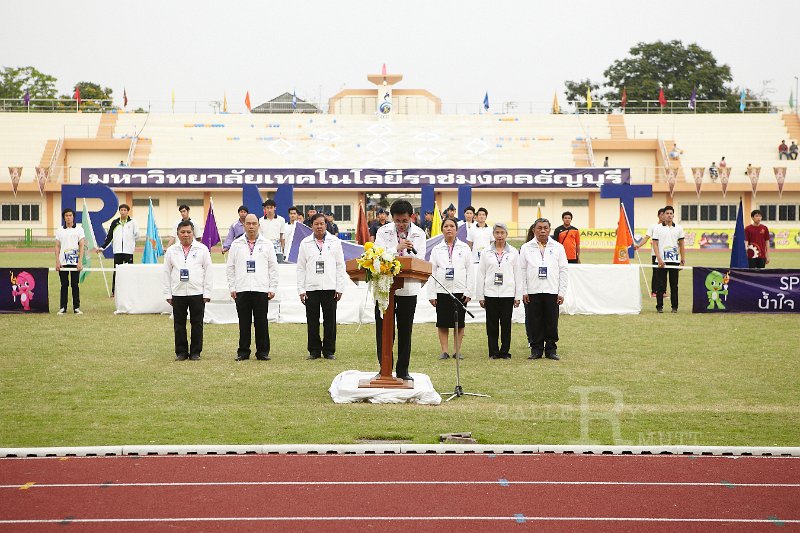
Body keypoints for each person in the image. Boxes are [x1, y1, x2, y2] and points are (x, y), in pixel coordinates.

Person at [373, 199, 426, 380]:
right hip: (385, 288)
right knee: (384, 330)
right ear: (392, 218)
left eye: (404, 221)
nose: (401, 225)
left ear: (411, 217)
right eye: (397, 221)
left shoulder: (419, 234)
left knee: (405, 330)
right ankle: (384, 367)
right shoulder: (382, 231)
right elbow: (378, 258)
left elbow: (421, 260)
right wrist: (397, 248)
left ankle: (403, 370)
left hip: (408, 289)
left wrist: (409, 251)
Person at [226, 214, 279, 361]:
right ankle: (243, 352)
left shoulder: (267, 244)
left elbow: (273, 267)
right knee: (244, 322)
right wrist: (232, 287)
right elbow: (230, 268)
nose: (251, 226)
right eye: (248, 223)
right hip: (242, 289)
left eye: (254, 223)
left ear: (258, 225)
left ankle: (262, 352)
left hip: (261, 289)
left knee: (261, 322)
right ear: (244, 225)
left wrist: (272, 287)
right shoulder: (236, 244)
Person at [296, 213, 347, 360]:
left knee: (330, 321)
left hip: (330, 287)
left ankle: (329, 350)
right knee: (312, 320)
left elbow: (340, 266)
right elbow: (301, 268)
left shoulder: (335, 241)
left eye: (322, 224)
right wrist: (301, 289)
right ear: (311, 226)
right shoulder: (305, 243)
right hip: (311, 288)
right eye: (316, 224)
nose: (319, 226)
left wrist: (340, 288)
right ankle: (314, 351)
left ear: (326, 225)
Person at [162, 221, 212, 361]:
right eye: (182, 232)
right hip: (178, 293)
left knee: (197, 323)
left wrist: (207, 293)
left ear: (193, 233)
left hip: (197, 292)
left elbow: (208, 272)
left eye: (188, 232)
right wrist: (168, 293)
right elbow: (166, 272)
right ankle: (181, 352)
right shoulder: (172, 250)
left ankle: (195, 352)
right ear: (177, 233)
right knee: (179, 324)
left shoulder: (202, 249)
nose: (185, 235)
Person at [519, 218, 568, 360]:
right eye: (539, 228)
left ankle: (551, 349)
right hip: (532, 291)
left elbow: (563, 270)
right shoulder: (526, 247)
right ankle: (536, 349)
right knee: (534, 321)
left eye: (545, 228)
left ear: (549, 229)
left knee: (551, 321)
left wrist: (561, 292)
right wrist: (524, 291)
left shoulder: (558, 247)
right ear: (534, 230)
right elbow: (522, 271)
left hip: (552, 290)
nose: (542, 231)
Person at [428, 217, 473, 360]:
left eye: (452, 226)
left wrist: (469, 290)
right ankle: (445, 351)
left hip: (460, 291)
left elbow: (470, 270)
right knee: (442, 322)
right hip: (442, 290)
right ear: (442, 229)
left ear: (456, 229)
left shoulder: (464, 248)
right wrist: (432, 293)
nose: (449, 228)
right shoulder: (436, 249)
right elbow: (432, 272)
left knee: (459, 322)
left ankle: (457, 351)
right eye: (446, 226)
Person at [477, 223, 522, 360]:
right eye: (497, 233)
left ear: (506, 234)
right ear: (493, 234)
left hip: (507, 294)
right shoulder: (486, 252)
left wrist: (517, 295)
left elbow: (517, 274)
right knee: (491, 325)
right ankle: (493, 351)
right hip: (490, 293)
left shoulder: (513, 252)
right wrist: (480, 295)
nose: (500, 235)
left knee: (506, 324)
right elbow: (481, 274)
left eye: (502, 232)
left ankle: (504, 351)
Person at [96, 203, 139, 296]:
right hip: (118, 251)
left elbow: (137, 235)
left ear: (128, 211)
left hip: (128, 251)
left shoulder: (133, 222)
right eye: (121, 210)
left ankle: (130, 290)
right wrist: (102, 247)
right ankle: (114, 291)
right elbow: (109, 237)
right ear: (119, 211)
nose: (123, 212)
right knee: (117, 271)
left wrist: (135, 235)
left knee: (129, 272)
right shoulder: (115, 222)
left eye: (125, 210)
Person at [651, 206, 686, 313]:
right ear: (663, 215)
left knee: (674, 285)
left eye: (671, 213)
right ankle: (659, 306)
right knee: (660, 285)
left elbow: (681, 244)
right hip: (661, 261)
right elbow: (655, 245)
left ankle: (674, 307)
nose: (669, 215)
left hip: (675, 260)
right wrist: (659, 259)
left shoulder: (679, 228)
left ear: (673, 215)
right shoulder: (657, 228)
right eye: (667, 213)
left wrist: (683, 258)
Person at [55, 208, 85, 315]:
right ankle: (63, 307)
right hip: (63, 262)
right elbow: (57, 246)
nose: (68, 217)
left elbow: (82, 246)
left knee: (75, 284)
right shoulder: (59, 230)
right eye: (66, 215)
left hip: (75, 262)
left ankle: (76, 307)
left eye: (70, 215)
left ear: (73, 217)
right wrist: (57, 261)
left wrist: (80, 261)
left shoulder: (79, 229)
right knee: (64, 285)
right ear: (64, 217)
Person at [635, 208, 667, 298]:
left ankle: (663, 291)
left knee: (664, 273)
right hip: (655, 254)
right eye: (662, 214)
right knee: (656, 272)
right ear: (658, 216)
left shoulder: (669, 227)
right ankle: (654, 291)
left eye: (665, 214)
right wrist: (638, 245)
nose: (664, 216)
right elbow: (646, 238)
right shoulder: (653, 226)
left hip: (666, 254)